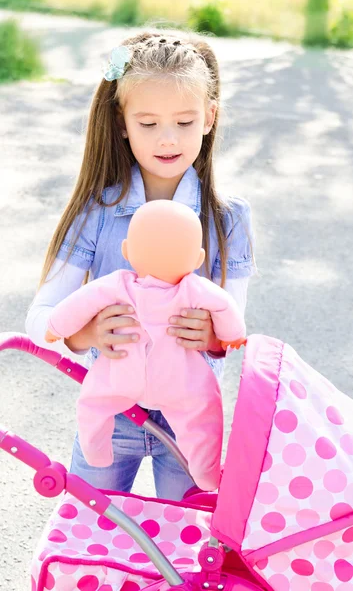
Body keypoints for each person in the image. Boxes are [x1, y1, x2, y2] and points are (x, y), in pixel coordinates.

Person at [25, 29, 255, 501]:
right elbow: (39, 319)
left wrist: (214, 338)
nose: (168, 139)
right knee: (89, 542)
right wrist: (85, 333)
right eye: (148, 123)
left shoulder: (228, 216)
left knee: (186, 557)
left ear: (210, 117)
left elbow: (236, 329)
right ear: (122, 122)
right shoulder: (97, 210)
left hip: (191, 425)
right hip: (111, 416)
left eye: (185, 122)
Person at [44, 200, 247, 491]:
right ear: (198, 258)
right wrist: (232, 335)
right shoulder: (195, 290)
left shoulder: (118, 285)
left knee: (93, 402)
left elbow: (78, 304)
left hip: (121, 376)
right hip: (181, 383)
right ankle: (206, 474)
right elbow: (227, 310)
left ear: (126, 251)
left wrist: (56, 327)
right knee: (202, 416)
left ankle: (96, 452)